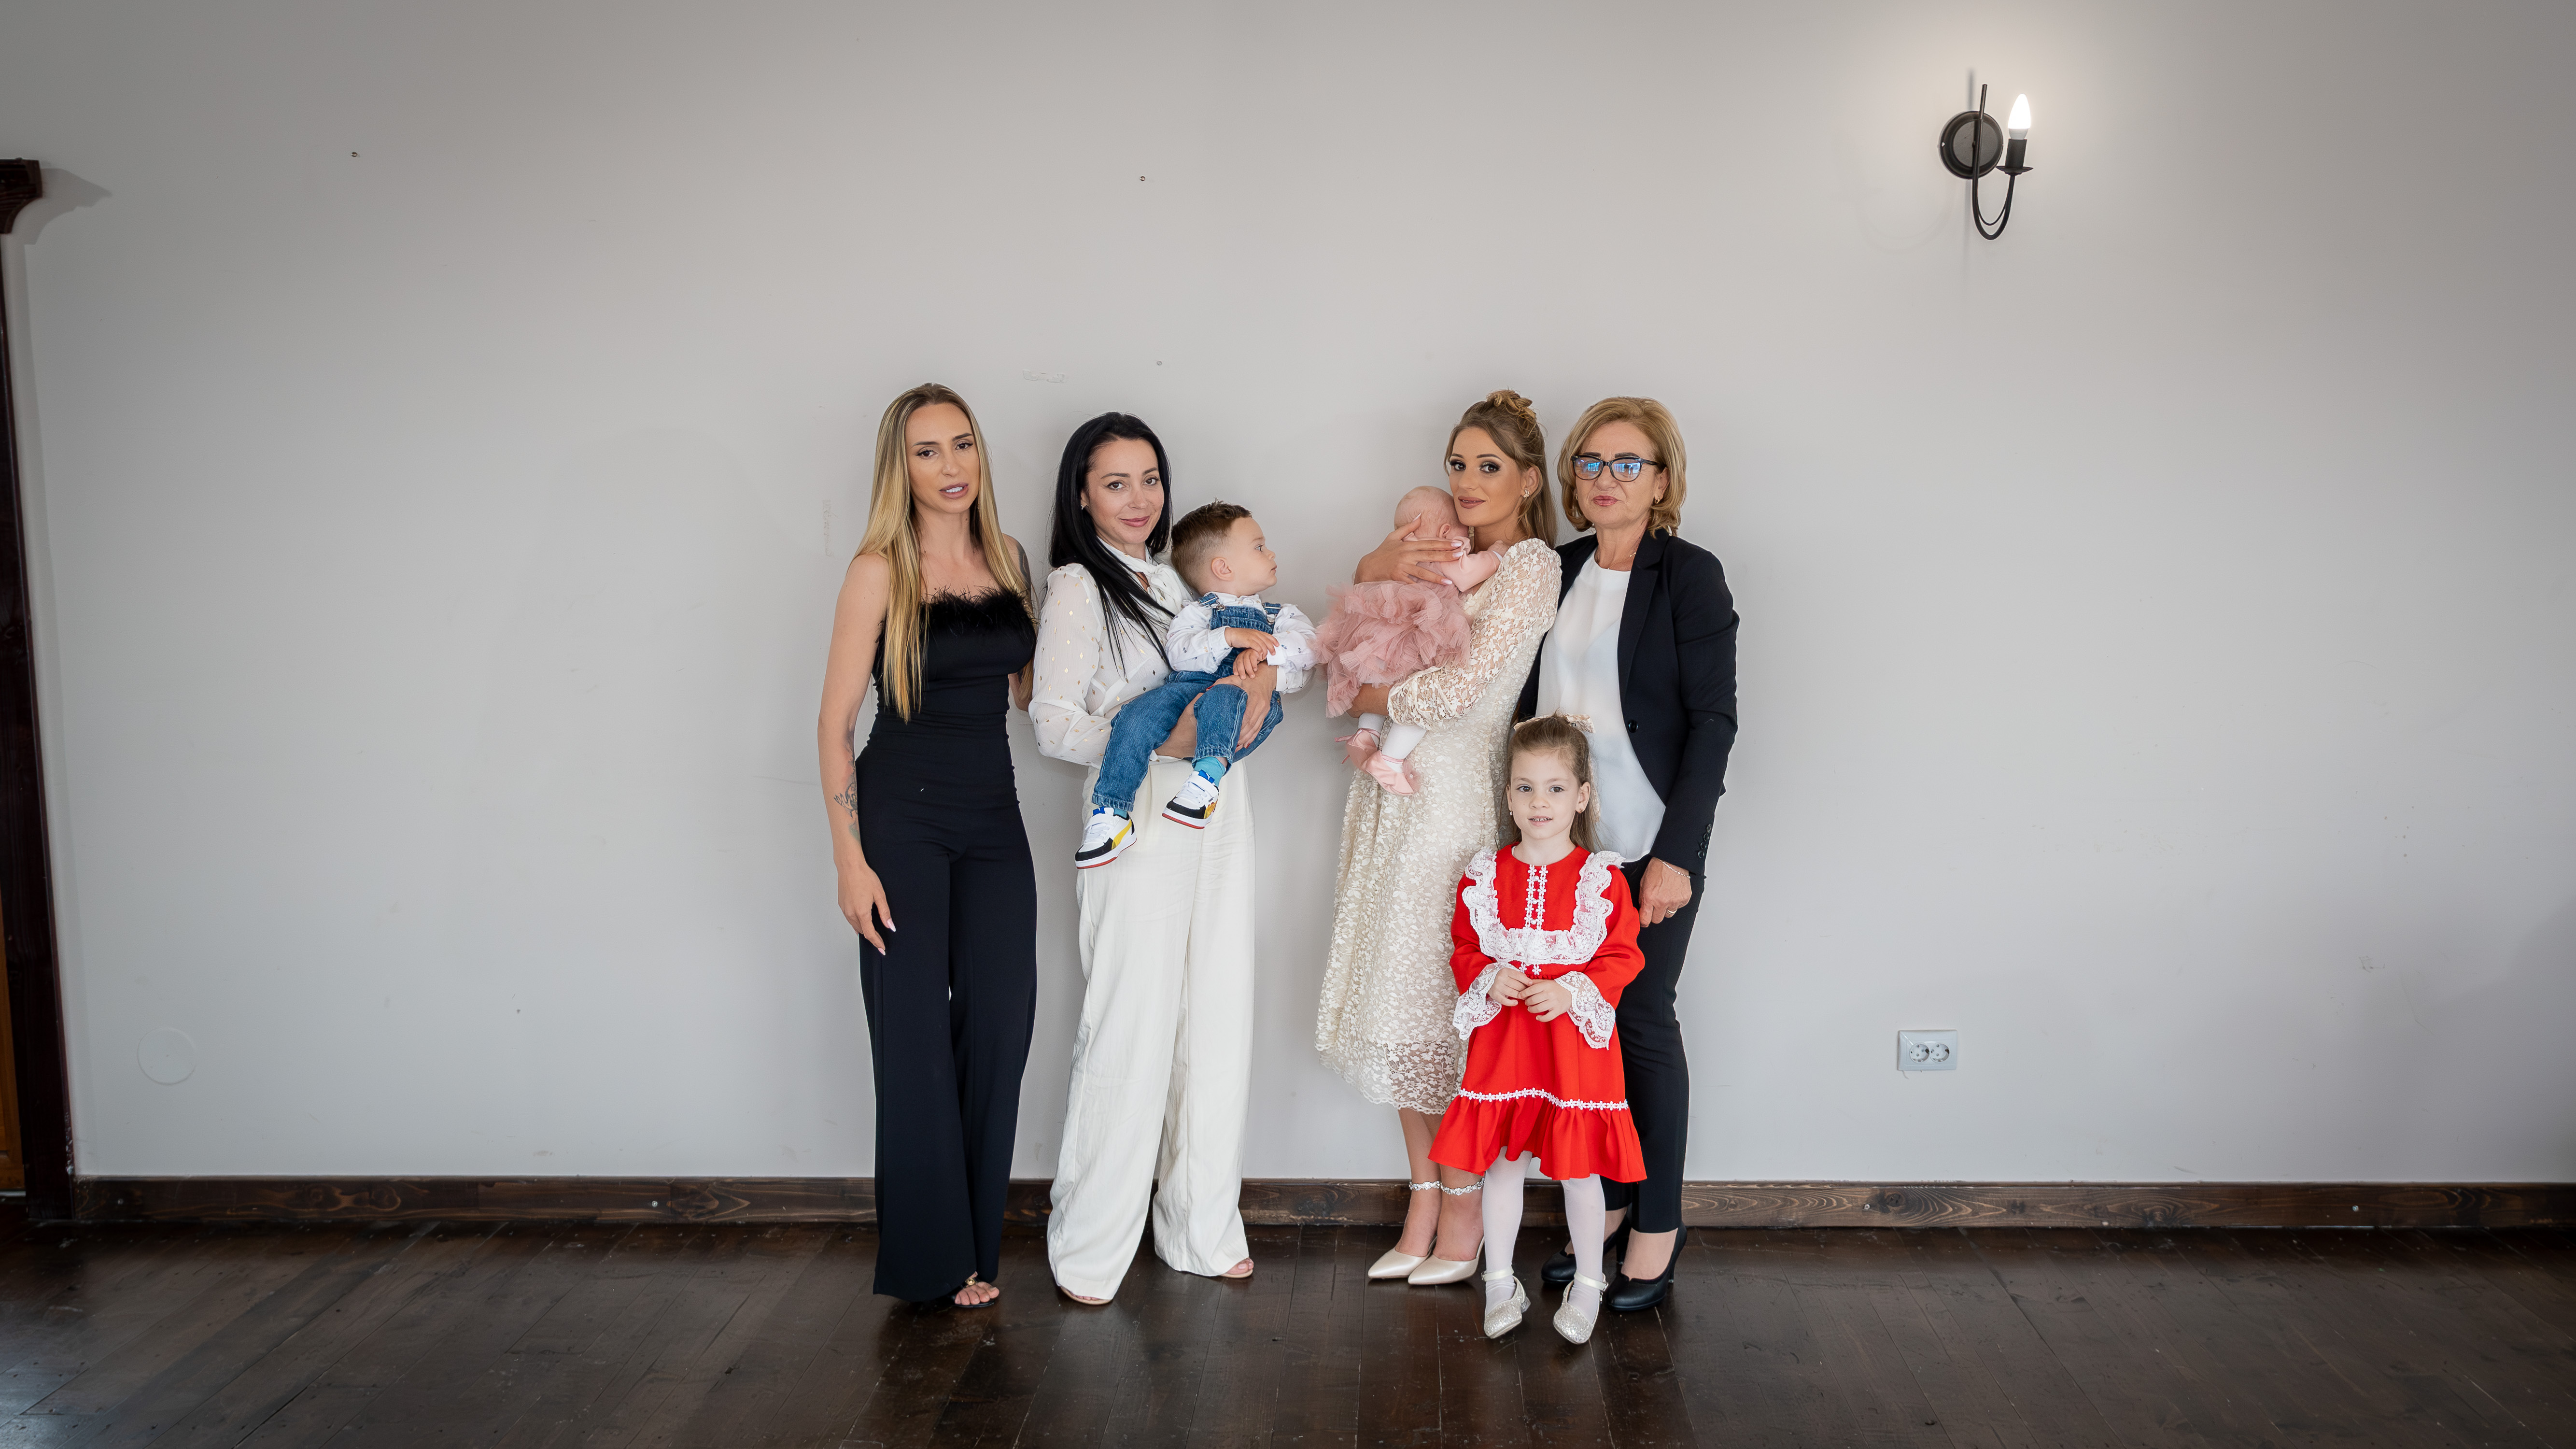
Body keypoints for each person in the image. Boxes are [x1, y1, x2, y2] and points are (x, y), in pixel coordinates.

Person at [1031, 413, 1282, 1303]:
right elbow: (1053, 724)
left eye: (1150, 479)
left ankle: (1199, 1227)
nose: (1138, 500)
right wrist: (1170, 739)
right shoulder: (1078, 587)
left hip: (1219, 806)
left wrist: (1254, 699)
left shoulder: (1186, 581)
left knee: (1216, 1015)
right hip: (1135, 810)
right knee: (1130, 1023)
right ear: (1081, 497)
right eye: (1115, 483)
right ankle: (1092, 1241)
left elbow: (1249, 673)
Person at [1314, 390, 1562, 1285]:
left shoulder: (1529, 564)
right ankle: (1422, 1199)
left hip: (1453, 800)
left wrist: (1366, 694)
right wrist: (1374, 567)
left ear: (1528, 480)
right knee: (1395, 1005)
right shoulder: (1435, 546)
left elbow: (1459, 694)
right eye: (1457, 463)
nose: (1466, 481)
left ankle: (1464, 1210)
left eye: (1488, 466)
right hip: (1391, 800)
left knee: (1441, 1012)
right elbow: (1364, 623)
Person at [1514, 396, 1739, 1313]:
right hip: (1562, 850)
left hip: (1648, 846)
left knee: (1641, 1019)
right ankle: (1603, 1205)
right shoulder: (1553, 568)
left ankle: (1658, 1222)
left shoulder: (1688, 575)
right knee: (1584, 1029)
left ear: (1661, 478)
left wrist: (1677, 854)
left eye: (1627, 463)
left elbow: (1714, 723)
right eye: (1590, 463)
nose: (1605, 479)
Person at [817, 383, 1037, 1307]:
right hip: (901, 817)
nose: (951, 467)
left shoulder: (1011, 556)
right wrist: (850, 861)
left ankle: (974, 1244)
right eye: (927, 452)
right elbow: (834, 727)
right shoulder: (879, 570)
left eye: (962, 445)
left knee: (1002, 1022)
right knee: (911, 1030)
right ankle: (932, 1260)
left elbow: (1030, 693)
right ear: (899, 470)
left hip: (993, 816)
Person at [1428, 715, 1646, 1344]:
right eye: (1524, 788)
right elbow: (1464, 947)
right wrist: (1487, 976)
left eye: (1554, 788)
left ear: (1580, 796)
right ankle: (1500, 1281)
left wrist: (1570, 990)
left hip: (1572, 1048)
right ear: (1507, 796)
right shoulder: (1483, 875)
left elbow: (1622, 956)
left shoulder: (1601, 879)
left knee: (1579, 1171)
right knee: (1502, 1165)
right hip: (1506, 1046)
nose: (1538, 802)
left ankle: (1589, 1283)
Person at [1074, 501, 1316, 867]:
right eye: (1259, 547)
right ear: (1223, 567)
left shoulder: (1280, 615)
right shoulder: (1197, 612)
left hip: (1240, 701)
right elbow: (1179, 654)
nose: (1271, 554)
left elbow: (1311, 649)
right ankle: (1112, 813)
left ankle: (1206, 780)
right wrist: (1229, 637)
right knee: (1134, 717)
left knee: (1223, 696)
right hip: (1187, 689)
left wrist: (1266, 655)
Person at [1314, 485, 1504, 795]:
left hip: (1377, 634)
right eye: (1463, 531)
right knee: (1418, 694)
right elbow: (1467, 574)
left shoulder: (1394, 556)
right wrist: (1495, 555)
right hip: (1414, 632)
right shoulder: (1441, 549)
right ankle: (1390, 760)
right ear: (1445, 531)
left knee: (1380, 678)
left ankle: (1367, 733)